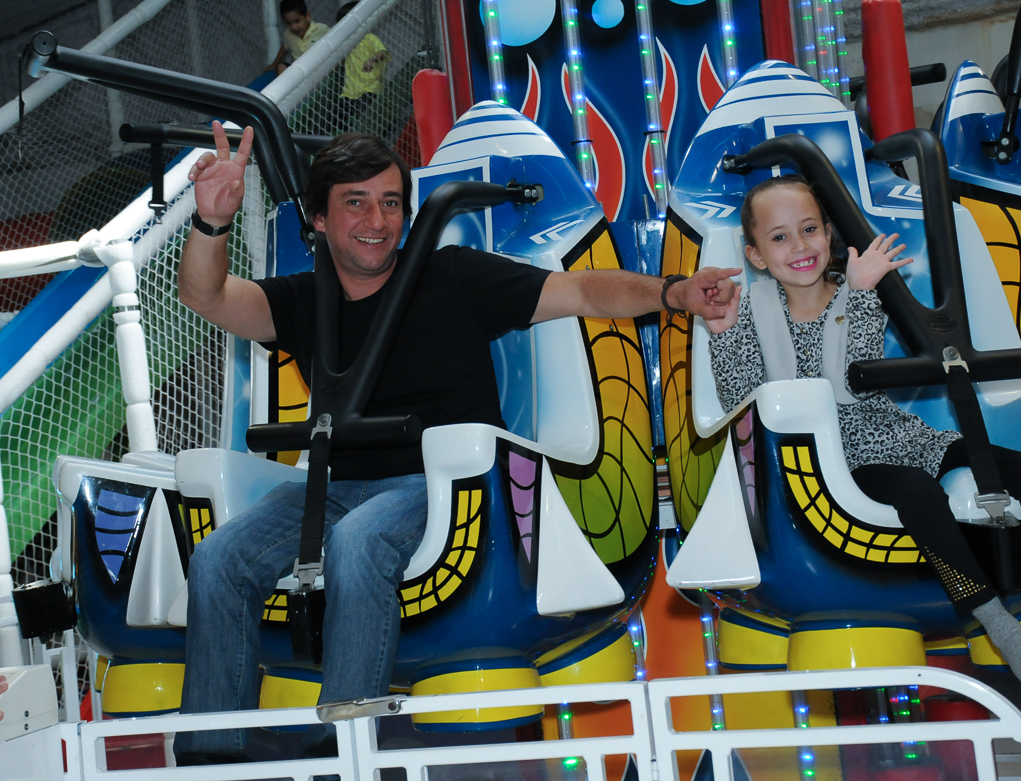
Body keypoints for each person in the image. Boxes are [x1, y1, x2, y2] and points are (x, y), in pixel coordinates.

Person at [173, 122, 737, 764]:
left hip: (445, 486)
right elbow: (208, 295)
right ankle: (210, 760)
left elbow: (581, 291)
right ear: (320, 219)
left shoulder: (452, 277)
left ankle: (347, 754)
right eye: (355, 202)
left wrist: (673, 294)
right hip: (336, 486)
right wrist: (212, 223)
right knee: (218, 559)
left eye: (390, 202)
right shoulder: (302, 300)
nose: (376, 219)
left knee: (356, 545)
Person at [706, 175, 1021, 696]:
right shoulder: (750, 312)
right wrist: (725, 334)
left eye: (809, 229)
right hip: (831, 461)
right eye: (779, 237)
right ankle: (999, 628)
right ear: (755, 255)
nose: (799, 246)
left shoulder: (855, 292)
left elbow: (857, 379)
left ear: (828, 234)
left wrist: (864, 295)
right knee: (918, 493)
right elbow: (749, 402)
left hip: (899, 437)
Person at [333, 1, 389, 133]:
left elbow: (382, 51)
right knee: (337, 112)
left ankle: (366, 132)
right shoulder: (345, 44)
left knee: (364, 111)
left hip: (369, 87)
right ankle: (342, 134)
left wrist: (372, 60)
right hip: (350, 90)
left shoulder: (369, 38)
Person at [267, 0, 330, 77]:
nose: (294, 27)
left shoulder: (321, 30)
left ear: (307, 16)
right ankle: (289, 88)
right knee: (281, 66)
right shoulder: (288, 35)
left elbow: (337, 41)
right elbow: (285, 47)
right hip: (299, 76)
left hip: (320, 73)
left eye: (297, 21)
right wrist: (274, 64)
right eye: (289, 23)